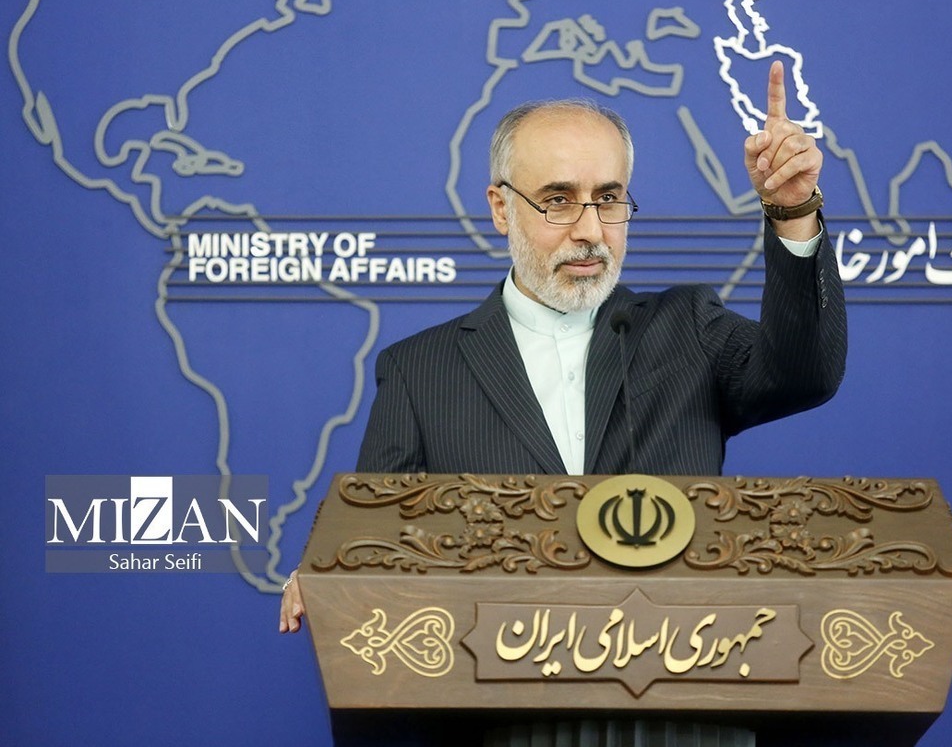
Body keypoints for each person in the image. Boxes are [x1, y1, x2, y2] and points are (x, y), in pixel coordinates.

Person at [279, 59, 846, 634]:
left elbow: (806, 374)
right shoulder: (419, 371)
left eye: (608, 198)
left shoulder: (689, 329)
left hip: (676, 674)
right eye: (558, 200)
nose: (590, 231)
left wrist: (793, 212)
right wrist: (337, 570)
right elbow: (375, 542)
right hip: (498, 681)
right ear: (501, 208)